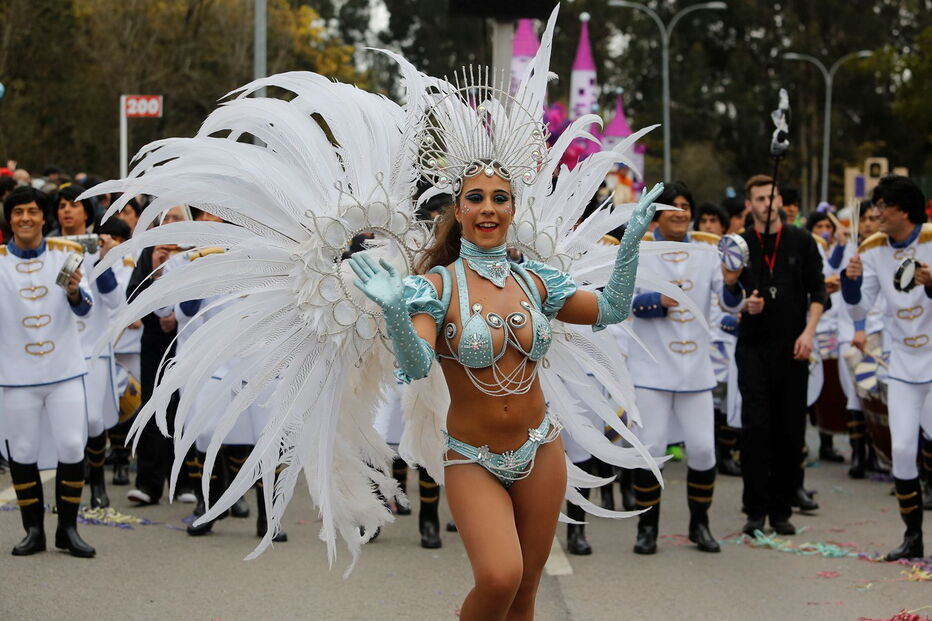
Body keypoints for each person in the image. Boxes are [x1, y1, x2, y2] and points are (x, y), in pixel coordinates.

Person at [721, 174, 827, 537]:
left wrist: (809, 333)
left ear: (780, 199)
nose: (767, 204)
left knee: (790, 429)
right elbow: (727, 296)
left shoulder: (801, 240)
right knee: (756, 429)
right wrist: (743, 302)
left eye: (772, 197)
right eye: (760, 199)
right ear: (749, 204)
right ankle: (755, 510)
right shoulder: (740, 243)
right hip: (753, 347)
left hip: (793, 348)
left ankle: (782, 509)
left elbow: (819, 292)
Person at [625, 182, 723, 554]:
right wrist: (657, 300)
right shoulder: (638, 250)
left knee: (703, 450)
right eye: (673, 207)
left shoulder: (708, 252)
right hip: (651, 371)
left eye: (685, 205)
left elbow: (728, 300)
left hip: (696, 372)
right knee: (650, 450)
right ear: (658, 215)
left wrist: (736, 286)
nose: (681, 212)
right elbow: (621, 301)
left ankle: (700, 524)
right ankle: (647, 528)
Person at [0, 185, 96, 557]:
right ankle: (33, 531)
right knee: (22, 450)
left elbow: (85, 307)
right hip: (15, 374)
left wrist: (73, 292)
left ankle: (68, 529)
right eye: (18, 212)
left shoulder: (67, 254)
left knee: (72, 444)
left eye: (32, 211)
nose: (25, 218)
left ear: (44, 217)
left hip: (64, 370)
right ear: (9, 219)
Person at [841, 174, 931, 560]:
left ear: (904, 211)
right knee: (903, 449)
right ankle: (913, 537)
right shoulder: (873, 248)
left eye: (882, 206)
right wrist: (850, 282)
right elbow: (860, 308)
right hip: (903, 364)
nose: (875, 213)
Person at [56, 184, 124, 508]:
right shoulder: (49, 249)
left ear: (87, 211)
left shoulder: (100, 247)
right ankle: (67, 491)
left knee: (94, 420)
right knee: (66, 424)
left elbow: (115, 300)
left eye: (73, 204)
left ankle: (97, 481)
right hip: (60, 347)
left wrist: (104, 261)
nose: (66, 210)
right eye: (61, 206)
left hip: (93, 347)